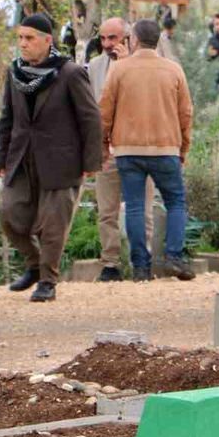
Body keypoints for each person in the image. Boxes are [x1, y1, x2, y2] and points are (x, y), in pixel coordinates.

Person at [0, 13, 103, 302]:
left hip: (61, 162)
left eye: (29, 38)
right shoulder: (15, 72)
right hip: (21, 159)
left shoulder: (69, 72)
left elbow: (90, 119)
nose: (23, 44)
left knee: (52, 225)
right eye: (20, 38)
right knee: (9, 215)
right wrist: (0, 158)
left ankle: (48, 281)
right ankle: (33, 265)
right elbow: (8, 117)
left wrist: (90, 163)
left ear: (47, 40)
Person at [99, 19, 195, 282]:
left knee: (134, 206)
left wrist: (103, 145)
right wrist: (183, 147)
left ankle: (141, 266)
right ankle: (174, 255)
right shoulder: (174, 70)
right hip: (166, 148)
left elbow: (105, 111)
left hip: (128, 149)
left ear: (134, 40)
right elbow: (186, 113)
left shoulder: (119, 70)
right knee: (175, 202)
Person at [90, 17, 152, 282]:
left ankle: (142, 261)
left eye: (113, 38)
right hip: (107, 149)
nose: (107, 44)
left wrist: (127, 65)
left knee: (143, 209)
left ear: (128, 39)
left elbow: (144, 103)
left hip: (138, 147)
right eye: (103, 38)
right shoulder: (94, 67)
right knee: (106, 210)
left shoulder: (144, 66)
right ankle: (110, 263)